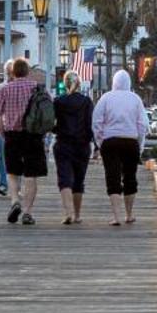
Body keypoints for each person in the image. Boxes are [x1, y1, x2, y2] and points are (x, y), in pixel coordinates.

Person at [0, 57, 47, 226]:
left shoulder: (4, 89)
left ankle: (15, 200)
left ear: (12, 72)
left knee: (12, 172)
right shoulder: (37, 89)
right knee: (31, 175)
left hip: (12, 135)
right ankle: (28, 212)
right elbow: (47, 111)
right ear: (28, 72)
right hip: (33, 135)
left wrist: (2, 132)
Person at [92, 69, 148, 226]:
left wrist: (100, 142)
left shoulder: (105, 98)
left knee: (113, 177)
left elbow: (96, 122)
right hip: (131, 142)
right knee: (130, 177)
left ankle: (116, 216)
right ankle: (129, 214)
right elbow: (142, 125)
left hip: (110, 142)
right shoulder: (135, 99)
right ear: (129, 83)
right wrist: (140, 144)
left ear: (113, 82)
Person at [52, 71, 95, 225]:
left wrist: (56, 130)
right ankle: (76, 215)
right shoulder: (86, 102)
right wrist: (95, 145)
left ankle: (68, 213)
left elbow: (52, 123)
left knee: (64, 179)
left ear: (65, 83)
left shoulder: (58, 101)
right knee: (78, 180)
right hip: (82, 145)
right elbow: (91, 124)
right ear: (79, 83)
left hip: (63, 143)